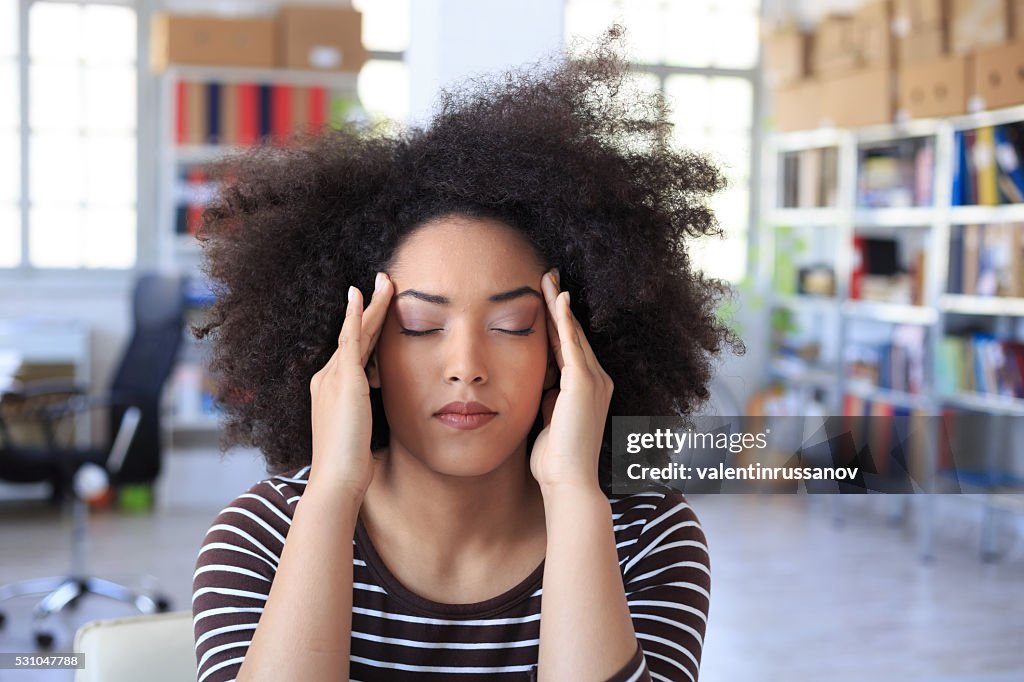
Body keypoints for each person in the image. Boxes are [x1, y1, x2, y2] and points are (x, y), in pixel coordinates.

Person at [190, 27, 744, 682]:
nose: (466, 366)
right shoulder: (260, 538)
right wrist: (332, 492)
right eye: (421, 325)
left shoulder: (649, 540)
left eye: (512, 325)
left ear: (570, 351)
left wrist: (572, 495)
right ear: (361, 354)